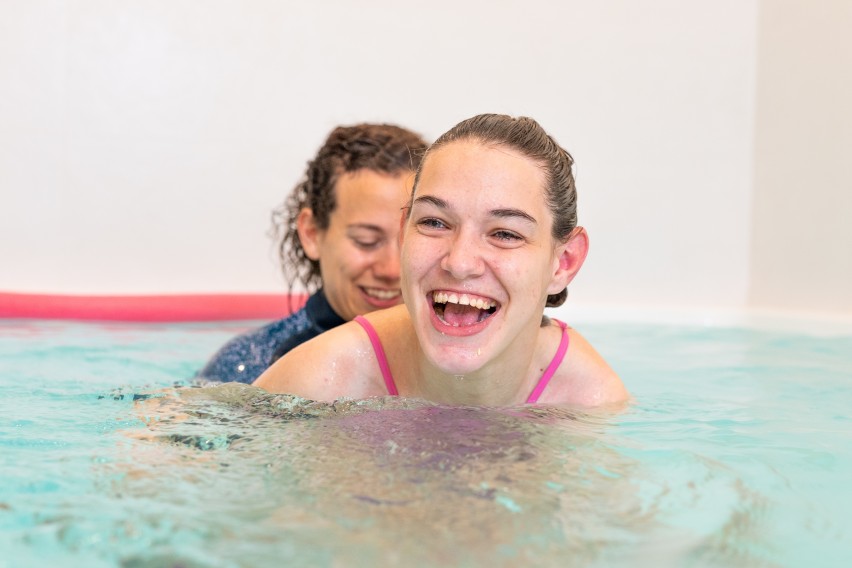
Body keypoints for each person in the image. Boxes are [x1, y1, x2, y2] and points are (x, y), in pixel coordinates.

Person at [254, 114, 628, 407]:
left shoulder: (590, 405)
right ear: (405, 233)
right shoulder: (320, 381)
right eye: (434, 223)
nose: (460, 262)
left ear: (563, 263)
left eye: (505, 234)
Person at [198, 123, 429, 383]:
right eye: (366, 241)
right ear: (312, 233)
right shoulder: (251, 367)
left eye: (408, 238)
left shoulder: (459, 357)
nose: (391, 270)